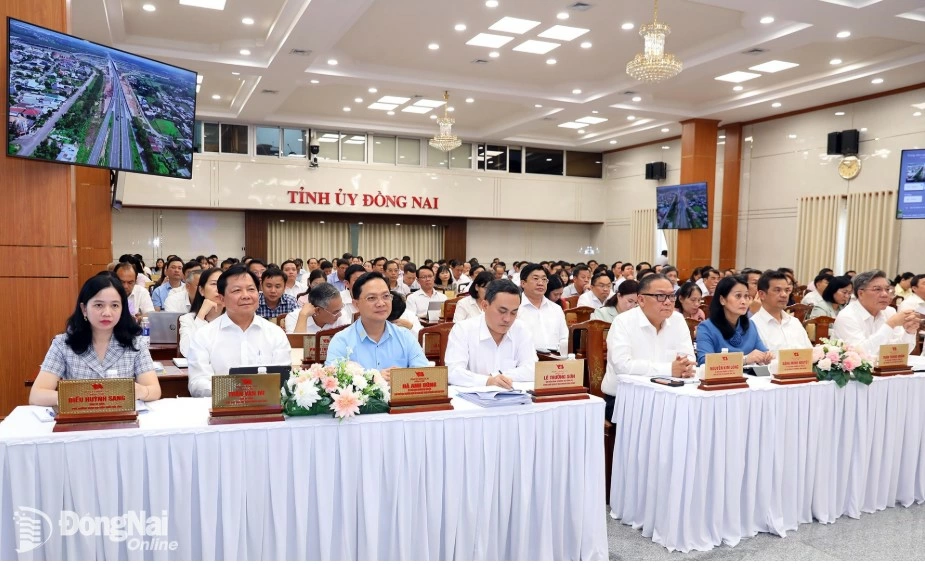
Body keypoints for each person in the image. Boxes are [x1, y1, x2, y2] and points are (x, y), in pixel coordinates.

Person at [30, 274, 161, 406]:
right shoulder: (62, 344)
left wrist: (140, 391)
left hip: (122, 421)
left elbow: (154, 390)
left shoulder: (135, 343)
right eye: (99, 305)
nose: (107, 313)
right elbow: (37, 395)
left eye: (115, 305)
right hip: (80, 421)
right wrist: (87, 397)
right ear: (84, 309)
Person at [187, 266, 291, 397]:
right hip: (219, 409)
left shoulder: (275, 333)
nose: (246, 296)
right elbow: (197, 383)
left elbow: (283, 379)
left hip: (265, 409)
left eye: (251, 289)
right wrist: (238, 391)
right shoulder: (204, 335)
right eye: (237, 290)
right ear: (222, 299)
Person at [601, 274, 695, 396]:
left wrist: (686, 368)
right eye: (660, 296)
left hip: (668, 394)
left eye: (671, 296)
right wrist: (669, 369)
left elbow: (689, 357)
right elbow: (622, 365)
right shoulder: (623, 322)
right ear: (641, 300)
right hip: (626, 397)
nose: (668, 302)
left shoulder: (678, 319)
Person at [325, 272, 429, 378]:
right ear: (356, 304)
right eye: (371, 298)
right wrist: (373, 379)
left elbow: (425, 375)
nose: (381, 303)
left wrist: (402, 377)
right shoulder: (342, 340)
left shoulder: (405, 336)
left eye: (386, 296)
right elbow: (332, 382)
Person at [445, 280, 538, 388]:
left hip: (512, 398)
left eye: (513, 312)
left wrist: (496, 377)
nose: (507, 319)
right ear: (485, 306)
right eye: (502, 311)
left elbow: (533, 369)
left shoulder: (521, 329)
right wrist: (487, 381)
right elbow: (452, 372)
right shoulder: (463, 329)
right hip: (472, 400)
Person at [833, 269, 918, 356]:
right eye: (877, 289)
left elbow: (901, 352)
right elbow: (860, 353)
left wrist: (909, 332)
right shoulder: (847, 316)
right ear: (861, 293)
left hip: (885, 368)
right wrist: (890, 324)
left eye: (887, 289)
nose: (885, 294)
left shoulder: (889, 312)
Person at [695, 275, 772, 365]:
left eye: (746, 296)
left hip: (750, 378)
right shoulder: (706, 327)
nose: (744, 301)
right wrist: (744, 359)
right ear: (722, 300)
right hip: (722, 378)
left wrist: (767, 356)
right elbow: (704, 361)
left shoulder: (750, 325)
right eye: (738, 296)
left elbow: (762, 351)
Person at [751, 270, 813, 351]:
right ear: (762, 294)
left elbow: (809, 353)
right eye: (777, 290)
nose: (784, 295)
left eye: (787, 290)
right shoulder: (753, 325)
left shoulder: (794, 322)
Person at [517, 263, 569, 353]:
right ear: (523, 283)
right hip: (524, 361)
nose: (540, 283)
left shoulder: (556, 309)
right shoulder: (515, 308)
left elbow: (564, 338)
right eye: (536, 278)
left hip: (554, 360)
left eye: (544, 279)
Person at [178, 268, 224, 358]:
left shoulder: (234, 318)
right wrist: (201, 316)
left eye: (223, 284)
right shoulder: (187, 319)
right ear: (201, 290)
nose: (219, 288)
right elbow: (187, 352)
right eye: (214, 284)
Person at [284, 282, 350, 334]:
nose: (340, 314)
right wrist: (303, 316)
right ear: (317, 310)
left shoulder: (342, 315)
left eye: (340, 309)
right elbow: (296, 348)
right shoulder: (293, 317)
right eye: (335, 312)